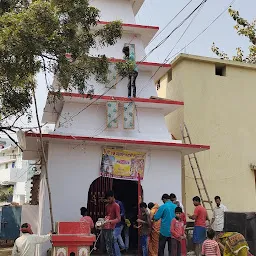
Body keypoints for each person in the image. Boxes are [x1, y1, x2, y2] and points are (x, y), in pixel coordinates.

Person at [102, 190, 121, 256]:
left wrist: (110, 221)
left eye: (109, 199)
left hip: (114, 227)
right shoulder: (107, 206)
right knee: (108, 244)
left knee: (113, 242)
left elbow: (119, 219)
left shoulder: (116, 205)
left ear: (113, 197)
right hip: (108, 227)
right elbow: (107, 216)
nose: (108, 200)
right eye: (107, 199)